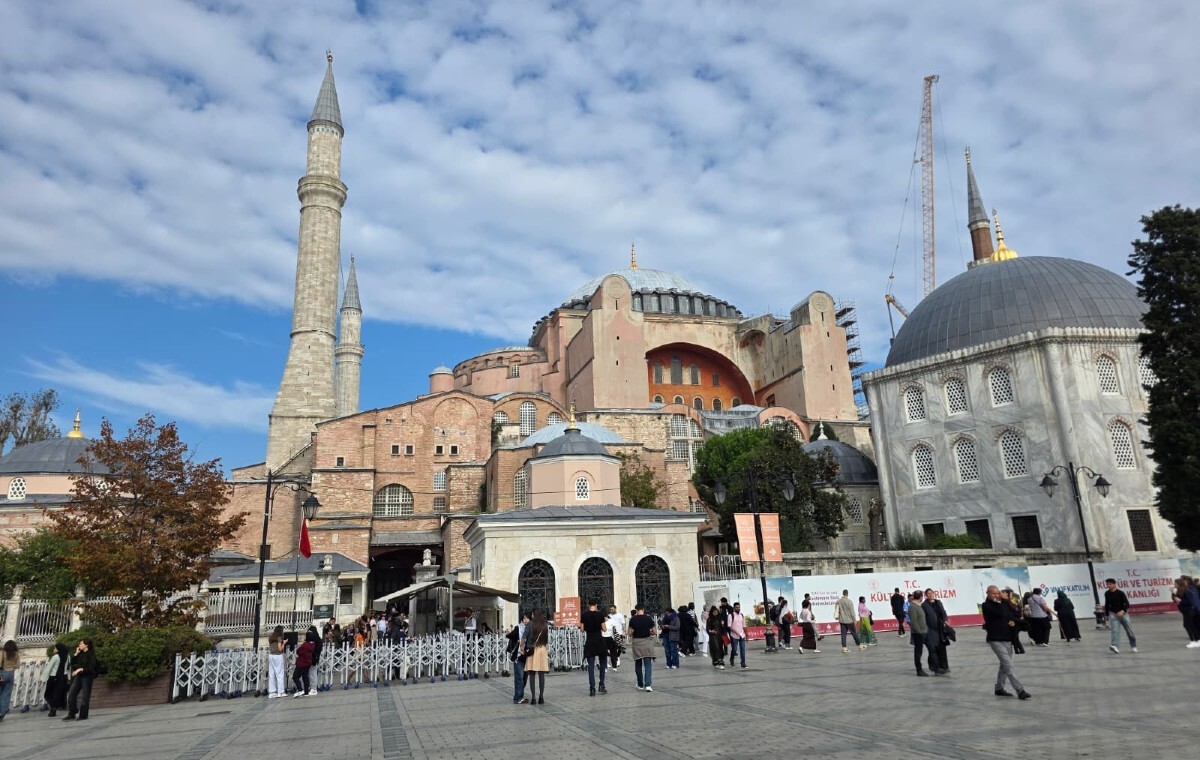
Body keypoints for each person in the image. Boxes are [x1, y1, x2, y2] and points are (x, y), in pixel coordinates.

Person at [982, 585, 1031, 699]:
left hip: (1007, 638)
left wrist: (1012, 622)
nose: (996, 595)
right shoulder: (986, 605)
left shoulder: (1003, 604)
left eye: (997, 593)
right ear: (988, 593)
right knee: (1008, 665)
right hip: (995, 639)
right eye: (993, 593)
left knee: (1004, 665)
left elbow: (1011, 615)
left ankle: (999, 688)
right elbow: (1000, 613)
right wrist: (1003, 599)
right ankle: (1020, 690)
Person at [908, 591, 942, 676]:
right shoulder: (912, 607)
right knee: (918, 652)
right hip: (918, 633)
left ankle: (936, 668)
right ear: (920, 597)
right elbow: (913, 622)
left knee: (932, 649)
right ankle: (919, 670)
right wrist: (919, 631)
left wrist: (926, 629)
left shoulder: (919, 605)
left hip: (925, 632)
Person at [64, 638, 98, 721]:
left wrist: (80, 669)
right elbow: (72, 663)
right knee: (71, 694)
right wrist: (76, 653)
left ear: (86, 645)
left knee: (85, 696)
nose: (79, 645)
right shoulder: (80, 654)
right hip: (79, 676)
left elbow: (91, 668)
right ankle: (72, 713)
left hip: (87, 677)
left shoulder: (91, 655)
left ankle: (83, 715)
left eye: (81, 644)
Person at [579, 598, 608, 695]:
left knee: (590, 666)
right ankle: (602, 684)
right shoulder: (600, 615)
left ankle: (592, 688)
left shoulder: (584, 615)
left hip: (590, 641)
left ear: (588, 605)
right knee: (603, 663)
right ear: (596, 605)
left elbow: (582, 629)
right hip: (599, 640)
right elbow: (604, 629)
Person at [628, 603, 657, 691]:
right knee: (648, 664)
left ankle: (640, 684)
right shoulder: (648, 618)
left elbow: (629, 633)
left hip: (637, 643)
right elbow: (654, 631)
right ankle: (648, 685)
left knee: (638, 664)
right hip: (647, 642)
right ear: (643, 609)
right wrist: (650, 632)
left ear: (636, 610)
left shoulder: (633, 619)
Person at [523, 610, 550, 704]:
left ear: (534, 615)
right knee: (541, 674)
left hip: (532, 650)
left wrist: (522, 647)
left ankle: (533, 697)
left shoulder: (530, 624)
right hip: (542, 650)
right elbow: (547, 641)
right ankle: (541, 697)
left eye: (532, 614)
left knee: (532, 674)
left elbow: (524, 637)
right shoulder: (545, 625)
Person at [1104, 578, 1137, 653]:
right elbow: (1107, 604)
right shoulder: (1107, 593)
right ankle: (1115, 646)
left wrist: (1123, 611)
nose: (1109, 585)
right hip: (1113, 614)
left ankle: (1133, 645)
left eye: (1110, 584)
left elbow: (1127, 604)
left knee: (1129, 630)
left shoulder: (1120, 593)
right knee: (1115, 631)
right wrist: (1106, 615)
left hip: (1123, 614)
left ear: (1114, 584)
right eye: (1107, 584)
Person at [506, 613, 530, 703]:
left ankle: (520, 694)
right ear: (522, 619)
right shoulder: (518, 628)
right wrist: (508, 634)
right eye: (524, 618)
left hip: (527, 656)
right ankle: (518, 698)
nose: (526, 620)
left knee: (524, 677)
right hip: (519, 655)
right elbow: (510, 636)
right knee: (519, 677)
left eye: (528, 618)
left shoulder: (531, 629)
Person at [926, 589, 951, 672]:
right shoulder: (924, 605)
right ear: (926, 595)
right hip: (931, 630)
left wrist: (946, 620)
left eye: (931, 593)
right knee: (934, 649)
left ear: (934, 594)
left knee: (942, 648)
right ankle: (935, 667)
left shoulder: (938, 602)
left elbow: (943, 612)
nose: (930, 595)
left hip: (941, 629)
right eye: (928, 593)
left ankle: (945, 666)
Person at [42, 642, 70, 717]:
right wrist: (69, 678)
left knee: (48, 694)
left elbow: (49, 667)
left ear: (58, 649)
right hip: (63, 677)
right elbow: (68, 668)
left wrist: (44, 677)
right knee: (58, 694)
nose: (54, 649)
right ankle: (55, 707)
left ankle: (53, 707)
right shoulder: (68, 657)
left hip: (54, 677)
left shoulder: (56, 657)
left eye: (55, 648)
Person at [1001, 589, 1026, 655]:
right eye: (1011, 594)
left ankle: (1019, 649)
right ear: (1006, 594)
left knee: (1014, 636)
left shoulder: (1010, 602)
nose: (1012, 595)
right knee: (1014, 636)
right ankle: (1018, 649)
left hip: (1015, 621)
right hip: (1012, 621)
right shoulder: (1005, 602)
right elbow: (1009, 612)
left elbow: (1017, 610)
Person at [0, 640, 19, 721]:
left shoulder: (2, 652)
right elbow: (18, 665)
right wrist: (12, 667)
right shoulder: (16, 653)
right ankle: (2, 713)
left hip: (2, 673)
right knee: (6, 694)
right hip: (11, 674)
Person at [267, 625, 287, 698]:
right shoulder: (279, 638)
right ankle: (280, 692)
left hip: (271, 655)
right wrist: (284, 643)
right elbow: (280, 649)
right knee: (279, 674)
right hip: (278, 656)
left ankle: (272, 692)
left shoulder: (271, 637)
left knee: (271, 674)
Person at [293, 632, 315, 697]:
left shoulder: (305, 645)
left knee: (295, 676)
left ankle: (300, 690)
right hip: (308, 662)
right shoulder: (312, 644)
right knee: (305, 677)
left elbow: (298, 651)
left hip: (302, 662)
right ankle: (306, 691)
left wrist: (303, 644)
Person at [727, 601, 748, 669]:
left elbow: (744, 626)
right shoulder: (730, 616)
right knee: (734, 649)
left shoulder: (741, 615)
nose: (738, 608)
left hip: (741, 635)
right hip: (734, 636)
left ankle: (743, 663)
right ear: (734, 608)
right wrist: (735, 631)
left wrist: (746, 634)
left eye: (739, 607)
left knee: (742, 649)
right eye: (736, 607)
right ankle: (732, 659)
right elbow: (729, 626)